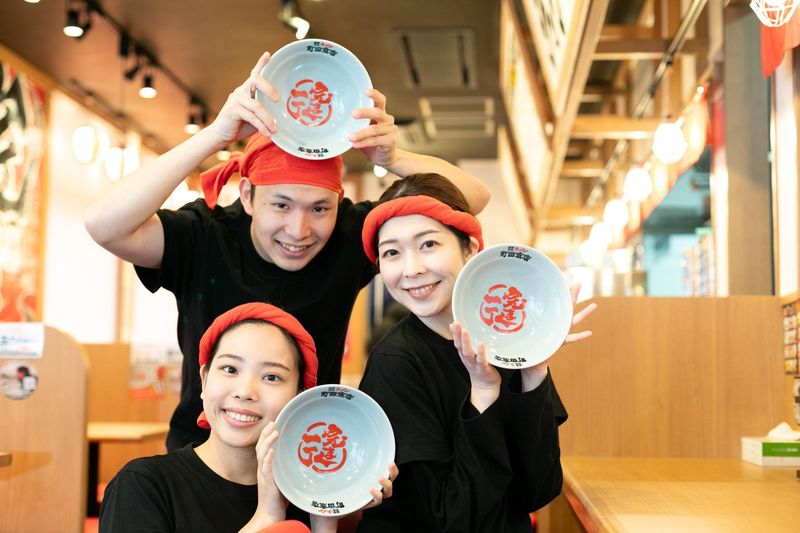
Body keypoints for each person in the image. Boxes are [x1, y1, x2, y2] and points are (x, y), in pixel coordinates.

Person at [83, 51, 491, 451]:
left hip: (308, 459)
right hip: (204, 455)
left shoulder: (348, 234)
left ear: (339, 202)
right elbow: (104, 224)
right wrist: (214, 136)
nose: (299, 230)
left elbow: (470, 198)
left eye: (320, 209)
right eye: (281, 205)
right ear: (247, 195)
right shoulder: (205, 235)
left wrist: (393, 157)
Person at [357, 173, 597, 532]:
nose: (412, 269)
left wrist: (534, 372)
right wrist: (484, 393)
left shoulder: (503, 343)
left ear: (469, 249)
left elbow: (538, 490)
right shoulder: (395, 363)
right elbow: (451, 520)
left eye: (428, 244)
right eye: (391, 252)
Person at [99, 302, 397, 533]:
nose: (245, 392)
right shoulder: (144, 486)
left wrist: (326, 520)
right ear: (204, 379)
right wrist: (266, 518)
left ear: (300, 398)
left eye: (271, 376)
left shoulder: (310, 497)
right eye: (230, 369)